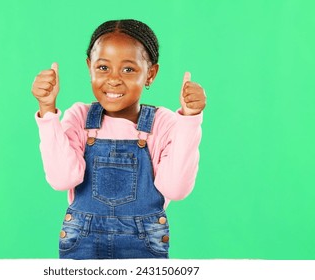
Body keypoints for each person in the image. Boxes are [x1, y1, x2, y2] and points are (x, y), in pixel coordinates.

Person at [31, 19, 206, 259]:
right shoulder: (80, 117)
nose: (113, 79)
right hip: (82, 245)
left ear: (150, 74)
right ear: (89, 66)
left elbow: (175, 189)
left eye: (128, 69)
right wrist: (48, 110)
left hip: (144, 247)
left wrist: (190, 119)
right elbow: (62, 179)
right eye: (103, 67)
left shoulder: (163, 123)